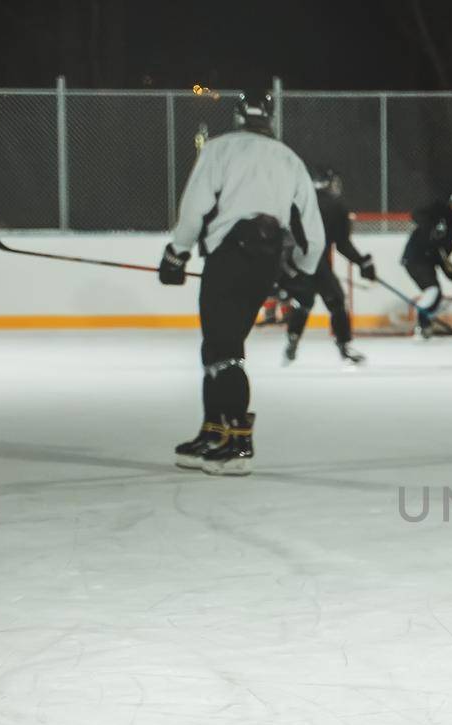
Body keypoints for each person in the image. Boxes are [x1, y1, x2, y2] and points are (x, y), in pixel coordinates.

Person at [160, 90, 324, 476]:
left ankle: (237, 443)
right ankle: (213, 431)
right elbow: (312, 232)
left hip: (227, 256)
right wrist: (302, 272)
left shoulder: (219, 149)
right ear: (270, 116)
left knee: (223, 347)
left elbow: (195, 204)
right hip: (264, 263)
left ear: (238, 116)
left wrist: (177, 251)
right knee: (221, 345)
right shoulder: (289, 158)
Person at [283, 166, 377, 367]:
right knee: (336, 302)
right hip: (318, 262)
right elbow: (342, 243)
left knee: (304, 301)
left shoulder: (298, 202)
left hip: (296, 261)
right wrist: (362, 262)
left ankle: (292, 337)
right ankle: (344, 347)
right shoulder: (336, 206)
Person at [401, 191, 452, 338]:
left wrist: (449, 270)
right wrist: (430, 229)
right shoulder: (439, 211)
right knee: (432, 290)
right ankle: (422, 323)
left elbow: (442, 252)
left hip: (427, 261)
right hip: (416, 257)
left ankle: (424, 322)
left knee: (436, 293)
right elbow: (416, 214)